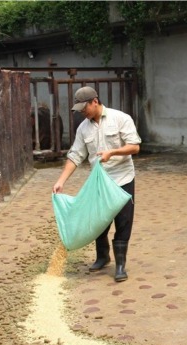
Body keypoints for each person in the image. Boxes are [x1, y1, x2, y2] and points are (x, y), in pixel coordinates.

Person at [52, 86, 141, 282]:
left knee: (123, 221)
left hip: (122, 178)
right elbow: (75, 155)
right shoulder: (83, 128)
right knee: (99, 220)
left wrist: (112, 153)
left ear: (95, 101)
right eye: (79, 109)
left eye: (85, 107)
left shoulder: (121, 118)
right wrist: (61, 181)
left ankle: (120, 264)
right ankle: (102, 256)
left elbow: (134, 146)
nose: (82, 112)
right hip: (99, 181)